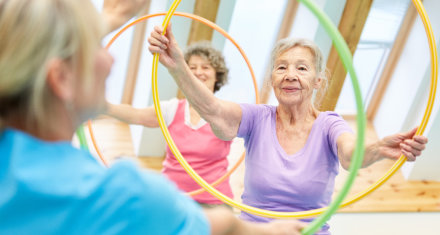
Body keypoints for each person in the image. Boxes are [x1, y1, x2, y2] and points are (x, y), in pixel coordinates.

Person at [0, 0, 306, 234]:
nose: (111, 60)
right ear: (61, 79)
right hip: (182, 201)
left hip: (212, 199)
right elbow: (224, 227)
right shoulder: (126, 197)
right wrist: (269, 230)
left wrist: (110, 20)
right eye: (95, 46)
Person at [148, 25, 429, 234]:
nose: (290, 74)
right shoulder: (257, 118)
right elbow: (214, 111)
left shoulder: (329, 124)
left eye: (302, 68)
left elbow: (350, 153)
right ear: (272, 79)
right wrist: (177, 66)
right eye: (281, 67)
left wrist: (378, 148)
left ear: (319, 80)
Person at [107, 42, 234, 207]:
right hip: (172, 197)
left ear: (217, 75)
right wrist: (102, 106)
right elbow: (135, 115)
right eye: (192, 67)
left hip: (214, 200)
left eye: (205, 67)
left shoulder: (228, 112)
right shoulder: (172, 108)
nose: (198, 72)